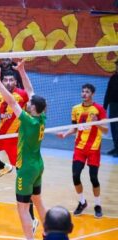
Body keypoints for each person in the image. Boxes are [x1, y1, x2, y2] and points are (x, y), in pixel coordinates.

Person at [0, 68, 47, 240]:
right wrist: (22, 71)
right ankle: (48, 233)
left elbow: (10, 100)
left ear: (33, 108)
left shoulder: (27, 120)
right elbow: (31, 92)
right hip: (38, 165)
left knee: (22, 208)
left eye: (30, 104)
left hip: (26, 168)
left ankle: (29, 239)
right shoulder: (42, 117)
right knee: (38, 201)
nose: (28, 104)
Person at [56, 83, 108, 218]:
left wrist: (97, 123)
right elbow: (74, 128)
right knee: (75, 175)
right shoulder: (75, 109)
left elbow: (106, 130)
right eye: (83, 91)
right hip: (79, 147)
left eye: (87, 92)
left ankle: (97, 204)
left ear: (92, 94)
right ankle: (82, 202)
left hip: (93, 148)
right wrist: (65, 134)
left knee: (93, 178)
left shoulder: (99, 109)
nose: (84, 94)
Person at [103, 60, 118, 157]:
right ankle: (116, 147)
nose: (117, 67)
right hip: (113, 105)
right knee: (114, 127)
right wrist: (104, 107)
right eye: (116, 65)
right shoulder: (113, 77)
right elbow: (108, 93)